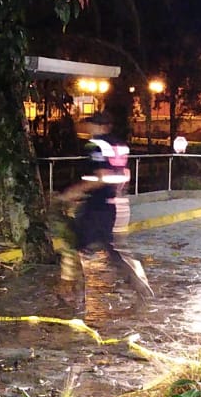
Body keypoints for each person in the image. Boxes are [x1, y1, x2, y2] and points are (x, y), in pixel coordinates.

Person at [55, 112, 153, 310]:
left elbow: (100, 177)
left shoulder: (96, 145)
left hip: (97, 206)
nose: (86, 128)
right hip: (116, 203)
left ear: (98, 126)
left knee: (73, 246)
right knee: (112, 250)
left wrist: (69, 193)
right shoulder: (119, 145)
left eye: (89, 124)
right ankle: (140, 285)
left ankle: (72, 295)